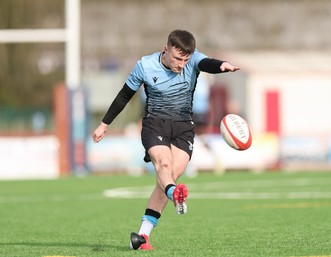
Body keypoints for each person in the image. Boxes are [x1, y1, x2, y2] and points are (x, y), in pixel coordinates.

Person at [92, 29, 240, 251]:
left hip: (183, 126)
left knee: (169, 177)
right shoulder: (145, 65)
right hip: (155, 124)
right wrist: (104, 124)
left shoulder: (193, 59)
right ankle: (175, 194)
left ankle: (142, 236)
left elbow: (207, 63)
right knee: (164, 166)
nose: (182, 65)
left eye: (186, 60)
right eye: (177, 58)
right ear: (166, 49)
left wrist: (222, 65)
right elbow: (125, 95)